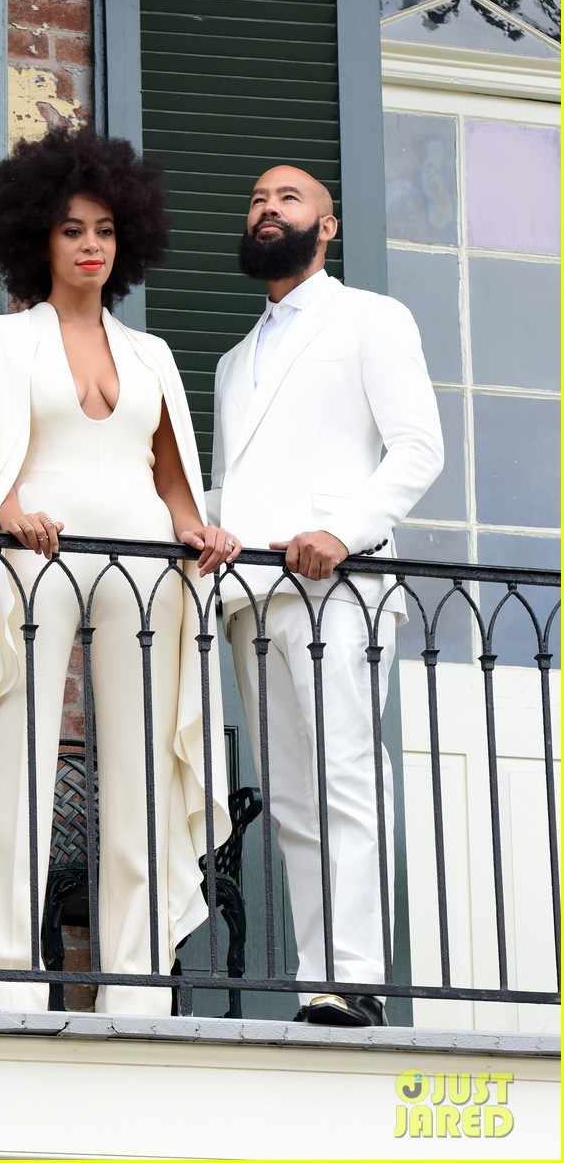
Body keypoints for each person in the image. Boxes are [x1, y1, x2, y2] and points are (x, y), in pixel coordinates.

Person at [0, 126, 239, 1016]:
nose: (89, 245)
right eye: (73, 228)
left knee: (143, 769)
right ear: (36, 234)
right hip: (37, 551)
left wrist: (200, 529)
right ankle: (5, 980)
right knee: (18, 758)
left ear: (125, 241)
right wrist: (9, 513)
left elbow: (168, 474)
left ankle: (135, 985)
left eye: (105, 230)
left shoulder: (151, 355)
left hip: (144, 560)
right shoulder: (1, 344)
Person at [207, 165, 443, 1027]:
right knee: (294, 800)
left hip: (339, 586)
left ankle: (358, 978)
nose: (267, 209)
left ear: (327, 226)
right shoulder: (235, 361)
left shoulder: (371, 319)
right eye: (257, 199)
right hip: (251, 602)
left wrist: (344, 533)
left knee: (345, 776)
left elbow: (417, 448)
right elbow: (234, 486)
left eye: (288, 198)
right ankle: (322, 981)